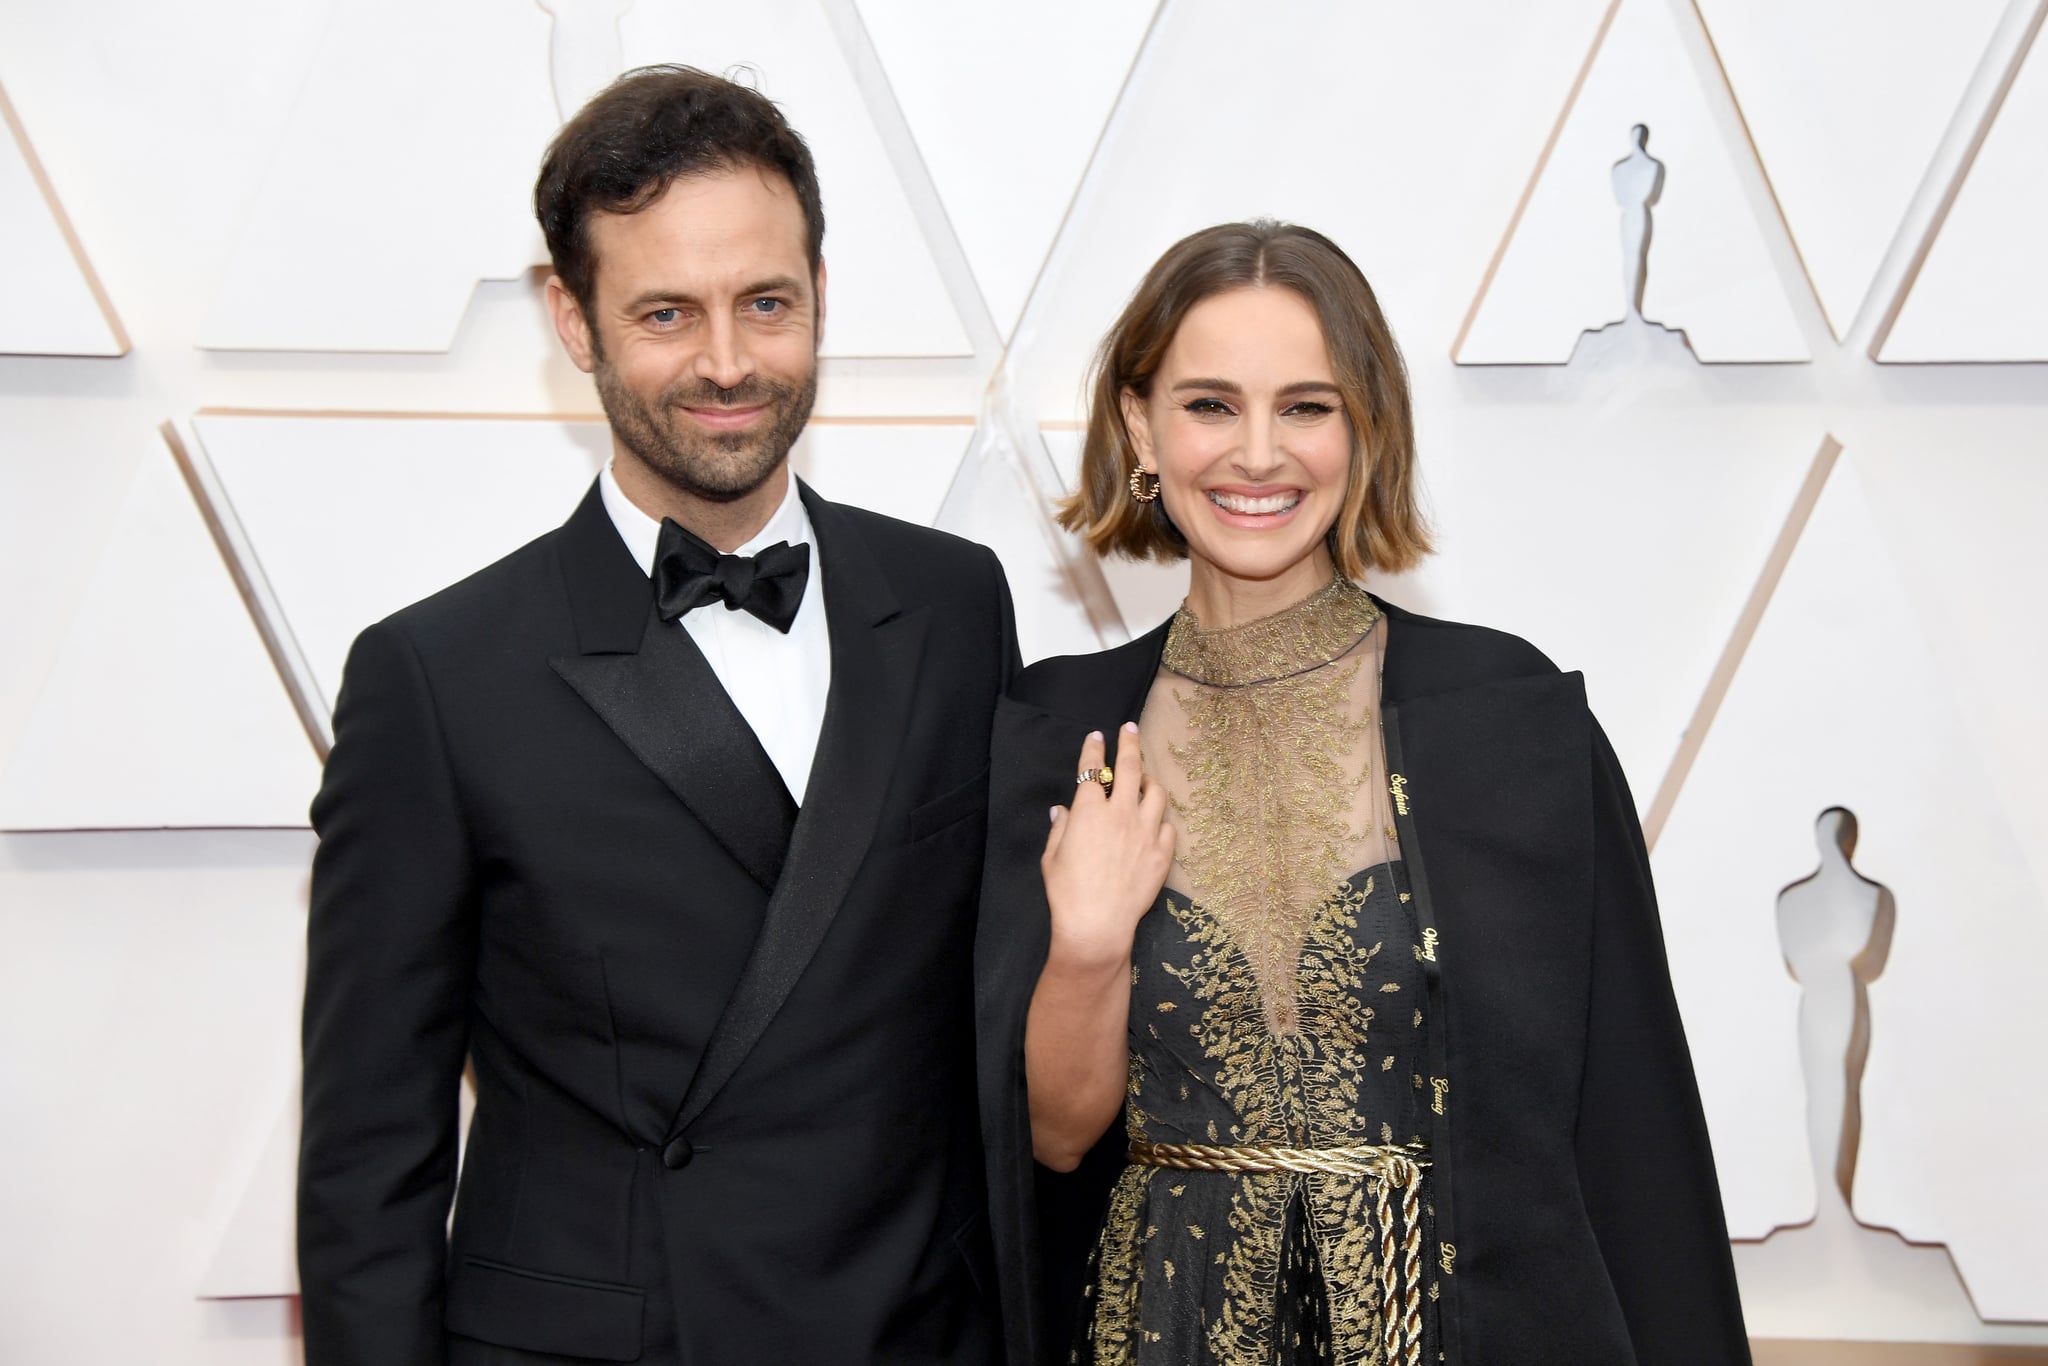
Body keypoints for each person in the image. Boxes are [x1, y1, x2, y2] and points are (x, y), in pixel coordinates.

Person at [298, 65, 1014, 1365]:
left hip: (919, 1330)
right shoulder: (439, 677)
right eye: (668, 312)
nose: (729, 361)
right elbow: (368, 1160)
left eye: (767, 303)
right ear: (574, 321)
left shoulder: (955, 603)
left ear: (821, 298)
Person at [975, 220, 1749, 1365]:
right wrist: (1086, 943)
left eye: (1305, 405)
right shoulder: (1060, 736)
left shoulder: (1507, 721)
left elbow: (1630, 1126)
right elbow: (1048, 1140)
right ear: (1138, 424)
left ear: (1365, 427)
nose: (1256, 454)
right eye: (1207, 405)